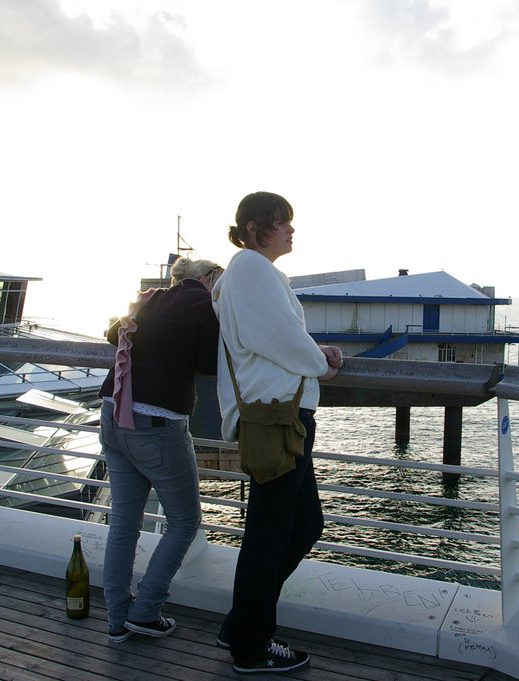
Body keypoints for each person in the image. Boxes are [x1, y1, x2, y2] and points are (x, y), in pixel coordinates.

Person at [211, 192, 343, 674]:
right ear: (252, 228)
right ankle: (250, 645)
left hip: (280, 417)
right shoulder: (250, 269)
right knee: (269, 534)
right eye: (280, 222)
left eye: (289, 222)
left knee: (303, 526)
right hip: (276, 417)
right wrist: (320, 365)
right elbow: (277, 339)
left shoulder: (250, 272)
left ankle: (242, 623)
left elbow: (274, 336)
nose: (291, 230)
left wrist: (314, 350)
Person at [99, 257, 223, 644]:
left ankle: (118, 619)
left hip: (113, 415)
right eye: (217, 282)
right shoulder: (205, 305)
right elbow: (209, 362)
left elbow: (111, 335)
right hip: (155, 426)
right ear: (205, 280)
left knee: (123, 524)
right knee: (184, 522)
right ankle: (147, 611)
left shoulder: (149, 299)